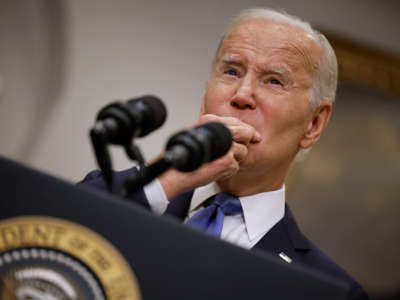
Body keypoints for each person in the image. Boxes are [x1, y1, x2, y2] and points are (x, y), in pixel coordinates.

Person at [80, 8, 368, 299]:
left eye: (274, 81)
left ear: (313, 124)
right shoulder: (112, 191)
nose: (242, 95)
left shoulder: (331, 291)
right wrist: (168, 178)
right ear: (206, 98)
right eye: (232, 72)